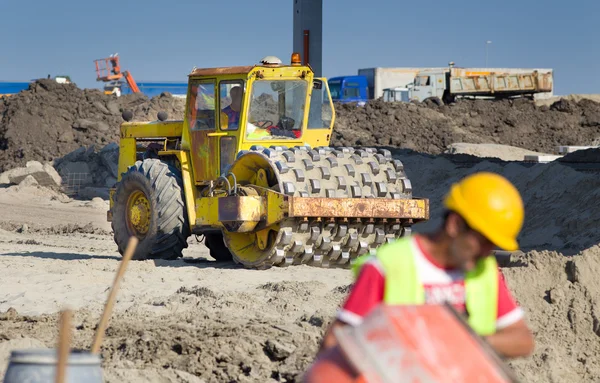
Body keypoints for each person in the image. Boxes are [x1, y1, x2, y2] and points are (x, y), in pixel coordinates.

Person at [319, 171, 535, 359]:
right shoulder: (390, 265)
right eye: (483, 242)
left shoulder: (483, 271)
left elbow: (522, 340)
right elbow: (335, 344)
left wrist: (467, 343)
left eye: (493, 245)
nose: (487, 253)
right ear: (455, 225)